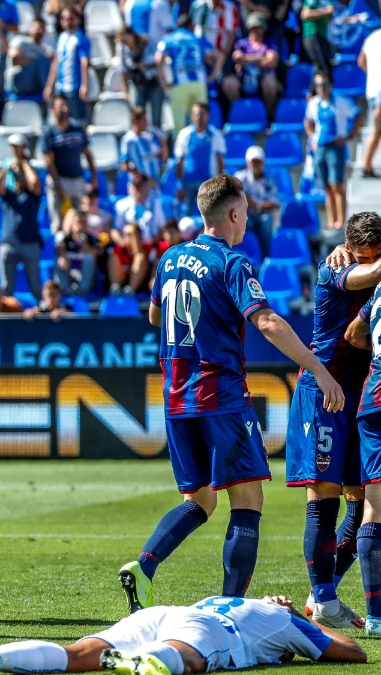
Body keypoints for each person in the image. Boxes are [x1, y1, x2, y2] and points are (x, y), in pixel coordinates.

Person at [119, 175, 346, 617]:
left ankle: (144, 565)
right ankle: (229, 609)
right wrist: (318, 369)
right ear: (235, 214)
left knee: (200, 500)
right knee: (247, 501)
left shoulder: (170, 258)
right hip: (220, 394)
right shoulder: (232, 262)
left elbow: (153, 314)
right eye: (245, 215)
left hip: (176, 398)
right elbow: (266, 322)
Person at [281, 213, 381, 630]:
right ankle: (323, 598)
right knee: (323, 499)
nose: (368, 264)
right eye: (362, 256)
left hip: (361, 397)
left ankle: (322, 593)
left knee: (363, 504)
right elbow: (366, 277)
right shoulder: (336, 266)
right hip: (323, 392)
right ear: (348, 249)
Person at [0, 595, 366, 675]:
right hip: (206, 629)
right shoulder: (283, 620)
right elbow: (353, 653)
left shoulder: (233, 599)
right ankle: (143, 664)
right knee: (184, 658)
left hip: (166, 612)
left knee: (77, 654)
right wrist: (309, 618)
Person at [344, 252, 381, 635]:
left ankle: (376, 618)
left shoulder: (379, 290)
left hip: (371, 400)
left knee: (373, 506)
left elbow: (352, 334)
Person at [0, 134, 43, 300]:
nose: (19, 180)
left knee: (35, 287)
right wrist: (8, 167)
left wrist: (24, 163)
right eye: (17, 177)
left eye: (22, 178)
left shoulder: (33, 196)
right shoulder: (9, 195)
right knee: (6, 288)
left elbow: (35, 183)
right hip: (9, 243)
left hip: (30, 243)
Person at [306, 72, 361, 231]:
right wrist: (312, 138)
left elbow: (358, 115)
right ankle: (332, 220)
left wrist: (349, 135)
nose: (320, 88)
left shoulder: (340, 101)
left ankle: (341, 221)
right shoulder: (314, 103)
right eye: (317, 85)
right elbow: (308, 121)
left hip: (335, 147)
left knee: (337, 184)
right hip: (321, 148)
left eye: (323, 85)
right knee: (327, 187)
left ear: (330, 85)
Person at [42, 95, 98, 231]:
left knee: (80, 218)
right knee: (59, 224)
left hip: (77, 180)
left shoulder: (77, 129)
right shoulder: (50, 132)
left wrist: (93, 175)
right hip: (60, 181)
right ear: (53, 110)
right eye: (61, 106)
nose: (65, 109)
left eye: (66, 105)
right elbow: (48, 160)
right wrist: (57, 183)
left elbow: (88, 154)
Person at [156, 16, 218, 134]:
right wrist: (212, 76)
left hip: (180, 84)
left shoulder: (169, 38)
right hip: (200, 84)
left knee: (179, 125)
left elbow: (158, 59)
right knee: (199, 123)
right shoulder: (197, 38)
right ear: (191, 26)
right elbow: (219, 56)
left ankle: (180, 151)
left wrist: (163, 81)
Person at [174, 102, 226, 218]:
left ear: (208, 115)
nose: (199, 117)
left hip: (208, 183)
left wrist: (219, 186)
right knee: (185, 219)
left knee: (208, 217)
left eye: (202, 114)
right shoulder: (184, 135)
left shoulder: (215, 135)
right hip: (188, 183)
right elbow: (179, 162)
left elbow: (220, 162)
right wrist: (179, 186)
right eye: (196, 114)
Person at [43, 8, 90, 124]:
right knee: (58, 119)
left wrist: (84, 85)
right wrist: (49, 85)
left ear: (77, 20)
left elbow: (84, 62)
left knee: (77, 120)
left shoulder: (81, 38)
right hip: (60, 86)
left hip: (74, 86)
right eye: (64, 19)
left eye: (70, 18)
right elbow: (56, 62)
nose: (67, 21)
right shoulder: (61, 38)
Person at [227, 13, 280, 116]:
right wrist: (260, 57)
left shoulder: (270, 43)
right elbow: (237, 58)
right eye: (253, 27)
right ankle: (238, 112)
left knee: (270, 83)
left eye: (259, 27)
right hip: (243, 77)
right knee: (229, 83)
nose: (256, 30)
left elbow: (272, 61)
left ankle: (268, 115)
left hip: (262, 78)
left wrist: (246, 60)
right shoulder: (242, 43)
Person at [234, 146, 280, 256]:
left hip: (262, 215)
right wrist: (249, 203)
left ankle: (266, 256)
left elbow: (273, 204)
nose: (255, 165)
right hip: (245, 214)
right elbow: (235, 198)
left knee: (266, 221)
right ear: (247, 163)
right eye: (253, 162)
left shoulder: (269, 181)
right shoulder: (240, 177)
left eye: (258, 162)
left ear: (263, 163)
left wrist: (254, 204)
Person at [116, 27, 165, 130]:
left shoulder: (147, 41)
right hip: (137, 83)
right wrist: (126, 92)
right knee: (137, 115)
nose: (125, 43)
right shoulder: (122, 48)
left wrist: (146, 64)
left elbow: (158, 58)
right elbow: (122, 70)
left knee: (156, 118)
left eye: (126, 40)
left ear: (132, 35)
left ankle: (157, 142)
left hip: (153, 82)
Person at [120, 107, 166, 191]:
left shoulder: (148, 137)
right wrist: (145, 178)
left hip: (155, 185)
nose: (147, 122)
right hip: (140, 187)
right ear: (136, 121)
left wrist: (163, 142)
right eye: (144, 120)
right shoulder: (128, 140)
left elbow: (162, 158)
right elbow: (124, 166)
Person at [55, 208, 98, 296]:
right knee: (58, 259)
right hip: (70, 275)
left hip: (85, 278)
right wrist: (63, 255)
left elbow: (94, 255)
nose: (80, 225)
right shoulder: (65, 238)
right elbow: (59, 247)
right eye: (78, 222)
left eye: (83, 222)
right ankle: (65, 289)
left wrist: (84, 242)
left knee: (89, 258)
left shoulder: (91, 238)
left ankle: (82, 291)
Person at [115, 172, 166, 240]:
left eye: (141, 186)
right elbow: (116, 229)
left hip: (152, 245)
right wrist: (123, 243)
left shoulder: (156, 204)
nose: (139, 190)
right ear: (129, 188)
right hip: (129, 246)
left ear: (147, 187)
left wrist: (151, 242)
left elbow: (162, 228)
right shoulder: (121, 205)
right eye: (136, 187)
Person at [361, 27, 381, 178]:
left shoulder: (371, 37)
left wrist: (372, 75)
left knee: (378, 130)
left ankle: (367, 166)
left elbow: (360, 61)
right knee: (377, 129)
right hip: (379, 91)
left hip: (373, 89)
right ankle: (366, 166)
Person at [301, 0, 337, 80]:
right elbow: (305, 14)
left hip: (324, 35)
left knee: (326, 70)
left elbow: (329, 20)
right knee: (322, 71)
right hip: (312, 34)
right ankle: (320, 91)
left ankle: (312, 92)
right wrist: (325, 11)